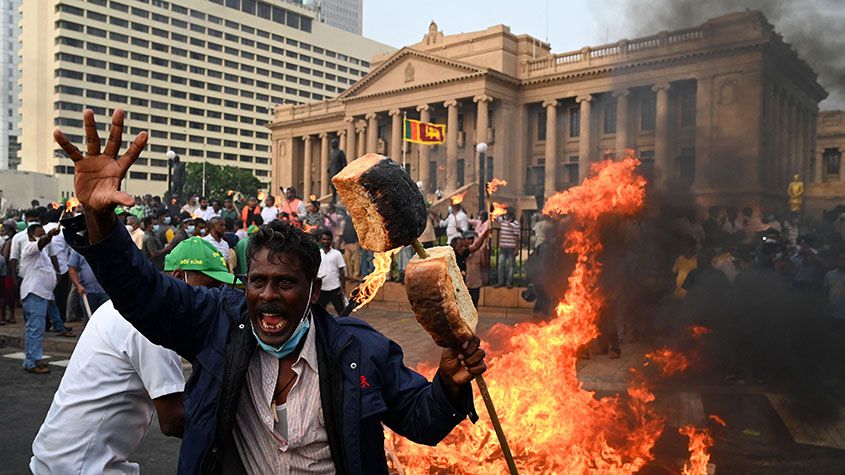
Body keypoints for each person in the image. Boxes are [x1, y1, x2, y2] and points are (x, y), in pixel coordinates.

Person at [56, 108, 487, 473]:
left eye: (285, 284)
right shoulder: (217, 324)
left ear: (314, 291)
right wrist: (102, 223)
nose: (268, 296)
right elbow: (143, 294)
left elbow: (424, 422)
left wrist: (448, 382)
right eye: (257, 281)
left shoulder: (361, 351)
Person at [30, 237, 235, 474]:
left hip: (60, 457)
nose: (211, 299)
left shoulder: (130, 307)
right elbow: (174, 419)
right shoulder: (154, 325)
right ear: (179, 277)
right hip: (82, 466)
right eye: (208, 288)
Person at [21, 224, 74, 375]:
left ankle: (33, 359)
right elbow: (41, 243)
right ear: (31, 235)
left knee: (35, 329)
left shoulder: (42, 253)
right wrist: (49, 235)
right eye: (40, 233)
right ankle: (32, 362)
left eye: (44, 233)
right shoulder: (29, 247)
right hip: (35, 293)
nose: (43, 235)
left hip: (44, 294)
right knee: (35, 330)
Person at [67, 249, 109, 318]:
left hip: (106, 290)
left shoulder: (105, 245)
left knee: (107, 316)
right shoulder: (78, 249)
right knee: (91, 318)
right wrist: (78, 285)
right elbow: (72, 268)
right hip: (87, 291)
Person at [317, 230, 346, 315]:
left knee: (342, 312)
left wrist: (343, 288)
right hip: (321, 289)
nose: (326, 241)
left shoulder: (337, 254)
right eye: (324, 239)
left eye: (328, 239)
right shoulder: (318, 253)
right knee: (319, 313)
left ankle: (344, 327)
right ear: (320, 240)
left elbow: (342, 272)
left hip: (335, 288)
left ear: (331, 240)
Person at [463, 229, 491, 308]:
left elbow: (484, 265)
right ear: (464, 240)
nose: (470, 240)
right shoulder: (462, 251)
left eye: (472, 238)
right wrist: (484, 235)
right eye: (468, 238)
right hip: (465, 284)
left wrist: (485, 254)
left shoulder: (479, 252)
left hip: (475, 282)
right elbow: (474, 248)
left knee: (474, 305)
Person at [495, 211, 520, 288]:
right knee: (500, 264)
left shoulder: (516, 224)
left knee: (511, 266)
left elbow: (517, 237)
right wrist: (501, 212)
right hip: (503, 247)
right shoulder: (503, 221)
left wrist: (516, 248)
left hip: (511, 248)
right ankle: (500, 282)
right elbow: (495, 217)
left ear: (511, 215)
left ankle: (509, 283)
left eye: (507, 214)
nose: (506, 215)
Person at [1, 219, 17, 324]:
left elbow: (6, 256)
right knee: (8, 295)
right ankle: (10, 316)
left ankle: (5, 317)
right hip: (9, 271)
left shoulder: (9, 241)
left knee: (5, 295)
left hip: (7, 272)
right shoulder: (11, 240)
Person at [823, 251, 845, 321]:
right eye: (840, 259)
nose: (842, 261)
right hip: (831, 313)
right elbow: (826, 292)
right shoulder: (830, 274)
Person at [341, 208, 360, 281]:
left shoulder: (354, 218)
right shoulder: (346, 220)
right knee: (347, 260)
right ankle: (350, 275)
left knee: (356, 260)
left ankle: (356, 275)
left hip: (354, 242)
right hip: (347, 243)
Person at [328, 138, 347, 203]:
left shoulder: (340, 152)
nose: (331, 145)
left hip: (338, 171)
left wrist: (343, 171)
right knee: (332, 186)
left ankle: (341, 198)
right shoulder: (332, 153)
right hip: (332, 171)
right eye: (331, 143)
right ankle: (334, 198)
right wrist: (329, 168)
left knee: (338, 186)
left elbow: (344, 162)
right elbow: (331, 162)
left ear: (336, 144)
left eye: (333, 143)